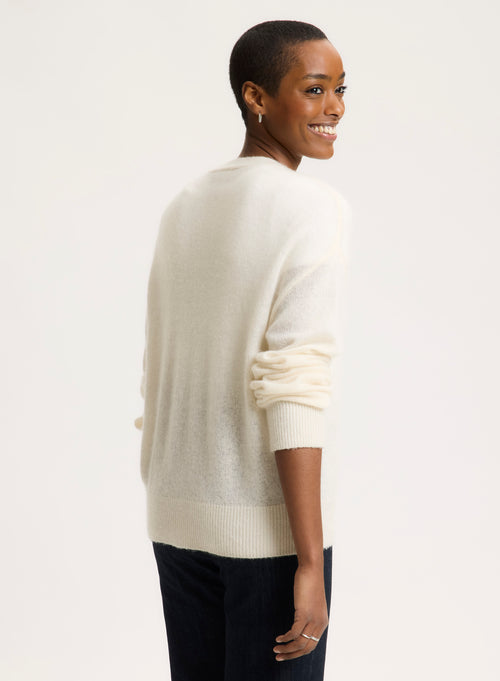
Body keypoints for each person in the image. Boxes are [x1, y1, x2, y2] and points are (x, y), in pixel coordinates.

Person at [135, 19, 352, 681]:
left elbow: (159, 363)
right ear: (256, 96)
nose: (335, 108)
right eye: (314, 89)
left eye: (341, 90)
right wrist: (308, 560)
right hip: (265, 536)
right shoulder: (309, 207)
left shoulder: (185, 204)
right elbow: (293, 384)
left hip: (176, 518)